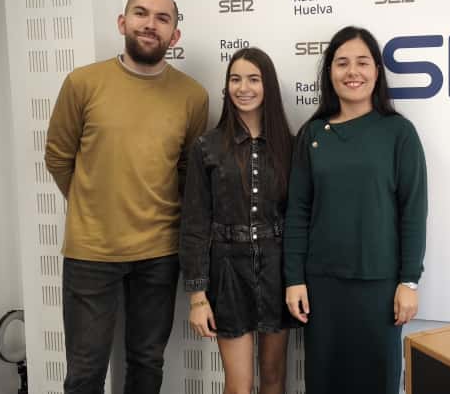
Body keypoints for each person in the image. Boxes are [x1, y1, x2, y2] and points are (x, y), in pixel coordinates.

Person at [44, 0, 209, 394]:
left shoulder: (193, 96)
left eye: (162, 18)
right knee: (85, 370)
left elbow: (189, 174)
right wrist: (92, 205)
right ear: (123, 23)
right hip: (91, 253)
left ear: (175, 35)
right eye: (141, 13)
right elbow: (58, 156)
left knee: (147, 362)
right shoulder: (83, 83)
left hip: (160, 252)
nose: (150, 24)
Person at [283, 26, 428, 394]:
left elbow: (413, 211)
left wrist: (409, 281)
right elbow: (298, 212)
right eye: (342, 63)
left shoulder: (399, 133)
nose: (352, 72)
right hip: (322, 287)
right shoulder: (312, 134)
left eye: (363, 62)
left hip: (378, 287)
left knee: (376, 382)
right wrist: (294, 279)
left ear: (377, 71)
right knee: (325, 381)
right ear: (329, 73)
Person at [180, 47, 298, 394]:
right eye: (235, 79)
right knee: (239, 384)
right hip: (228, 272)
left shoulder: (289, 147)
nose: (243, 87)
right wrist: (198, 298)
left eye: (253, 79)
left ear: (268, 87)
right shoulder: (207, 147)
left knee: (274, 378)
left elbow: (298, 219)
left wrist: (298, 279)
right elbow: (195, 224)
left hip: (278, 270)